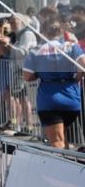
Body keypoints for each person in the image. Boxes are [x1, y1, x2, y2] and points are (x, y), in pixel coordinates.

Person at [23, 17, 85, 149]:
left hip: (49, 99)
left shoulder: (36, 51)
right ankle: (68, 165)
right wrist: (76, 78)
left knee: (57, 142)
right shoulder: (71, 47)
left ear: (43, 32)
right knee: (63, 138)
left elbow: (27, 76)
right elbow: (83, 65)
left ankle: (63, 169)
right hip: (71, 98)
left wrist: (40, 74)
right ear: (61, 32)